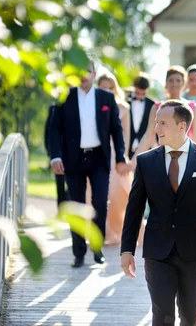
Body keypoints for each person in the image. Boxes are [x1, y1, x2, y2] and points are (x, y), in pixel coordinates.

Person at [120, 100, 196, 326]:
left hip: (194, 250)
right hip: (157, 249)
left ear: (182, 126)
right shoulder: (146, 161)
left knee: (191, 316)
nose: (156, 129)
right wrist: (127, 249)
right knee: (162, 315)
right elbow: (134, 208)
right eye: (156, 123)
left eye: (162, 123)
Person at [49, 61, 128, 268]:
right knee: (76, 205)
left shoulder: (106, 97)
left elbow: (116, 130)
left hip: (99, 159)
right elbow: (54, 129)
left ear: (94, 74)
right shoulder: (64, 96)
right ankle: (78, 252)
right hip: (72, 159)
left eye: (87, 71)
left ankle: (97, 247)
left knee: (100, 203)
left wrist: (120, 157)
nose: (83, 75)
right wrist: (55, 156)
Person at [96, 73, 141, 246]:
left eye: (110, 87)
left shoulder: (123, 107)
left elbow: (126, 135)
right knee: (95, 192)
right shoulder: (93, 105)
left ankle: (119, 230)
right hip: (97, 152)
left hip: (115, 153)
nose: (106, 91)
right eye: (103, 87)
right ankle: (101, 232)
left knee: (117, 192)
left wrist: (122, 158)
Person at [128, 66, 196, 171]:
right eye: (171, 80)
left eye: (178, 80)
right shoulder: (157, 106)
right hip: (163, 156)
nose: (174, 84)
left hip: (186, 156)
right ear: (166, 83)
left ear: (183, 83)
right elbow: (149, 135)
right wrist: (134, 161)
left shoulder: (192, 107)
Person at [44, 102, 70, 207]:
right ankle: (60, 208)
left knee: (73, 184)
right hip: (59, 154)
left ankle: (68, 205)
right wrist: (51, 153)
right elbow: (49, 132)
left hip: (73, 154)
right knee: (60, 183)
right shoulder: (55, 108)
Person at [127, 73, 155, 159]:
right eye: (137, 92)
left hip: (144, 149)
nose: (139, 96)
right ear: (134, 87)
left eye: (143, 94)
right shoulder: (124, 101)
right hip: (126, 147)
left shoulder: (152, 104)